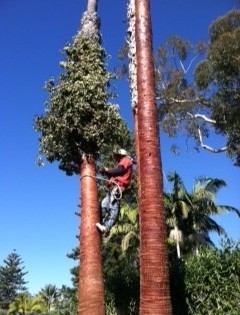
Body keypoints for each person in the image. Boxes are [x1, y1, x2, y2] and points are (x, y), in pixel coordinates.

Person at [96, 148, 133, 234]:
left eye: (117, 156)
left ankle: (106, 227)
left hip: (118, 188)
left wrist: (108, 170)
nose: (116, 158)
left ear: (121, 155)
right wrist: (106, 171)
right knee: (104, 205)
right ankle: (102, 224)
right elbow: (114, 174)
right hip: (112, 188)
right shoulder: (122, 163)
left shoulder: (126, 160)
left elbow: (120, 170)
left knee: (113, 208)